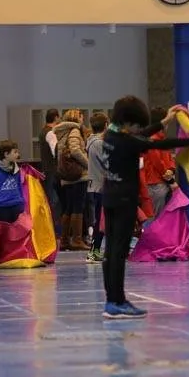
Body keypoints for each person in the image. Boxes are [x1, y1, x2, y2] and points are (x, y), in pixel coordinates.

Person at [101, 98, 189, 319]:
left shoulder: (111, 135)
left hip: (109, 198)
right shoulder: (128, 142)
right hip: (125, 201)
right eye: (136, 124)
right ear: (128, 122)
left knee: (110, 253)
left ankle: (112, 300)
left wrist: (163, 122)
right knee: (118, 252)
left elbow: (142, 135)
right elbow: (156, 144)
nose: (138, 128)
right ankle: (116, 302)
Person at [53, 109, 91, 252]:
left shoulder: (62, 131)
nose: (83, 119)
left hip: (66, 175)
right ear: (77, 118)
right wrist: (89, 164)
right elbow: (75, 150)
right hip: (78, 175)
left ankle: (64, 240)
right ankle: (76, 239)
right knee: (78, 207)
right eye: (81, 116)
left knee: (68, 208)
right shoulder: (75, 130)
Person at [85, 112, 109, 263]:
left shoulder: (91, 141)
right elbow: (107, 163)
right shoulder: (99, 144)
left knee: (101, 220)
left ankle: (96, 250)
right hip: (100, 186)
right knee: (100, 221)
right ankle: (93, 251)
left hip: (96, 185)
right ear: (106, 125)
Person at [0, 140, 25, 223]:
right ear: (6, 154)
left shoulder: (17, 169)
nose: (18, 155)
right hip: (2, 208)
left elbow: (19, 186)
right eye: (15, 152)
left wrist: (22, 202)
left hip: (17, 205)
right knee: (5, 234)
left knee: (18, 234)